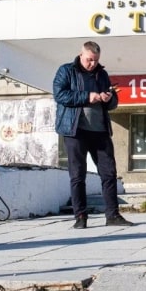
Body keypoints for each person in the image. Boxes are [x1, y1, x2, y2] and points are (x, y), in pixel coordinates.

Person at [53, 41, 132, 229]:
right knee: (77, 175)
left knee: (109, 173)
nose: (93, 64)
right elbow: (60, 95)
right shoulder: (66, 71)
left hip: (100, 131)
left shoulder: (102, 74)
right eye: (89, 60)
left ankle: (113, 215)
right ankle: (80, 217)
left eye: (96, 60)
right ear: (81, 55)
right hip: (75, 131)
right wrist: (87, 96)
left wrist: (109, 98)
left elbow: (113, 103)